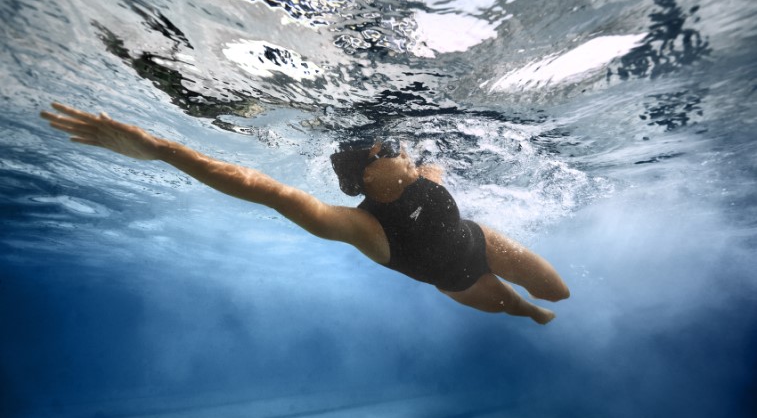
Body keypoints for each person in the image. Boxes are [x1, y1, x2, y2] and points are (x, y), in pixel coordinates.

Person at [40, 102, 569, 324]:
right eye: (388, 150)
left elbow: (435, 176)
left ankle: (539, 306)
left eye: (397, 146)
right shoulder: (359, 226)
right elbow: (264, 189)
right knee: (526, 311)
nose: (400, 151)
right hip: (459, 280)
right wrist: (159, 149)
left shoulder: (419, 175)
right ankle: (531, 315)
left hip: (484, 240)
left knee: (557, 291)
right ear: (366, 174)